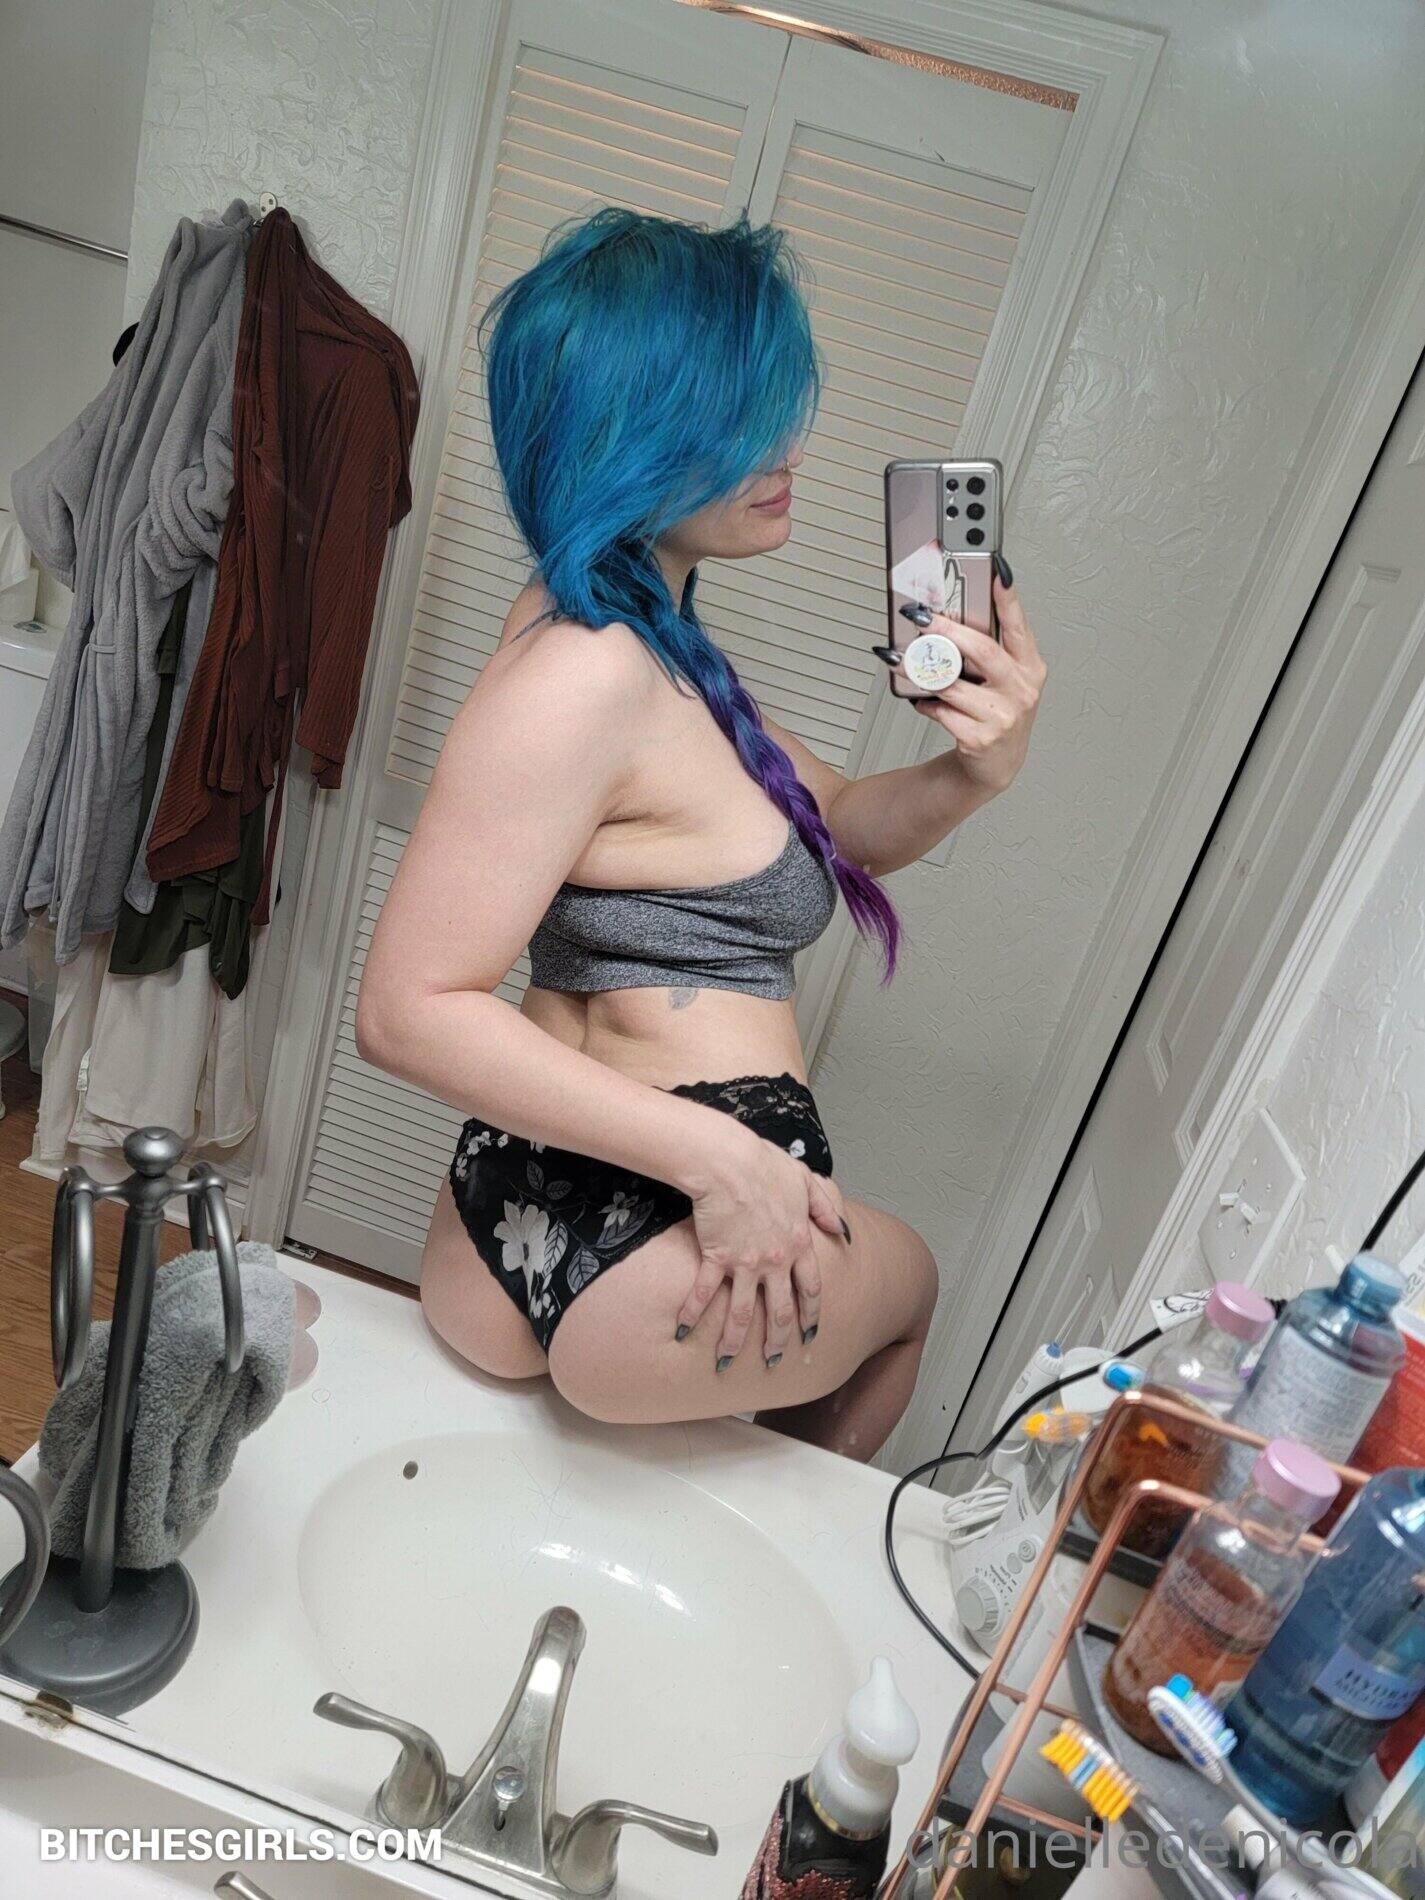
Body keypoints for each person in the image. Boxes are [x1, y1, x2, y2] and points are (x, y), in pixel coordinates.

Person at [357, 209, 1045, 1460]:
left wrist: (977, 768)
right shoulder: (590, 670)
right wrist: (724, 1166)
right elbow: (407, 1009)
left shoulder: (643, 637)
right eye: (738, 421)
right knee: (914, 1293)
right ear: (631, 436)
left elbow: (834, 823)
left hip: (523, 1205)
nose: (786, 448)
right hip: (684, 1205)